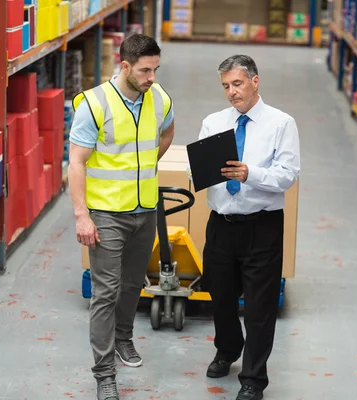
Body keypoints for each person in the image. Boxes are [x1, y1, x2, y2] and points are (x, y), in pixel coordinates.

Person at [68, 33, 174, 400]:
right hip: (105, 214)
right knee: (106, 293)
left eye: (156, 69)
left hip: (145, 209)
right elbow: (76, 162)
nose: (152, 78)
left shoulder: (158, 98)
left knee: (133, 284)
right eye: (145, 71)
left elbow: (168, 129)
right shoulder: (94, 104)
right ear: (125, 66)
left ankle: (124, 339)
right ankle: (104, 374)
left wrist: (145, 167)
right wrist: (82, 215)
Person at [197, 54, 300, 400]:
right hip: (221, 224)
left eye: (237, 84)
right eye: (226, 86)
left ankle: (254, 378)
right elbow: (197, 171)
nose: (232, 92)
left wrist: (249, 174)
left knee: (259, 306)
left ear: (255, 81)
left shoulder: (281, 123)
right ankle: (228, 349)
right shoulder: (214, 122)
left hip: (262, 227)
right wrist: (202, 170)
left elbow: (287, 176)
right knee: (220, 294)